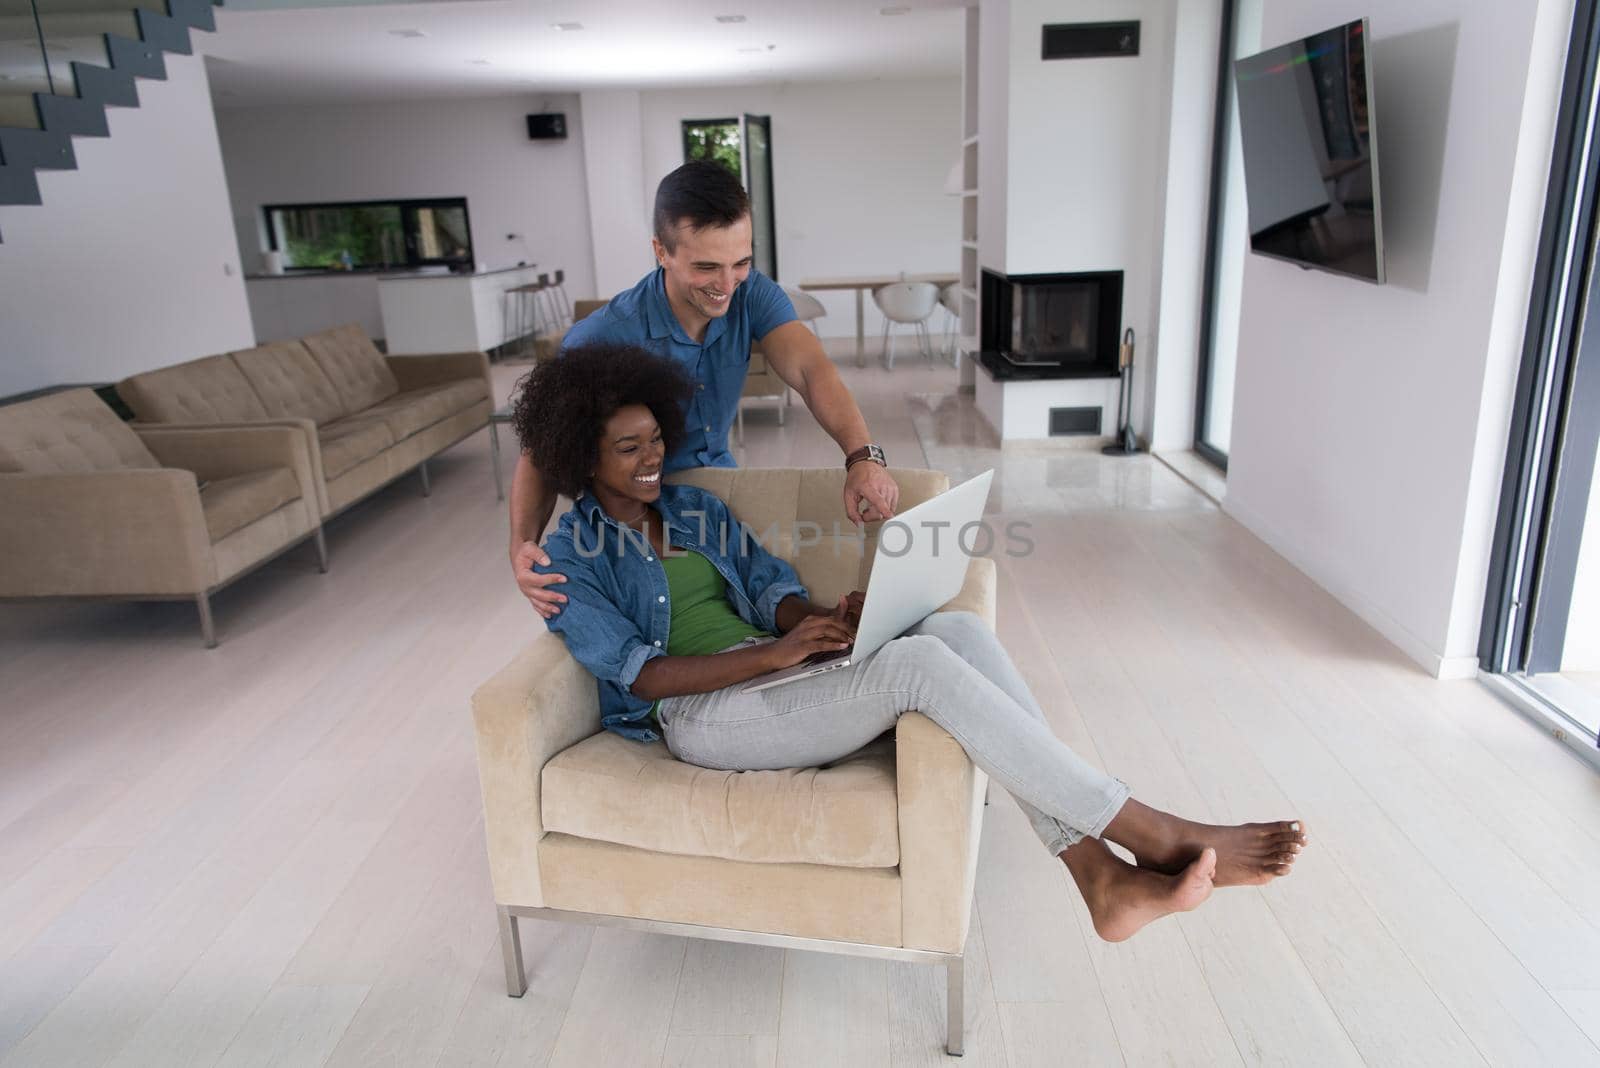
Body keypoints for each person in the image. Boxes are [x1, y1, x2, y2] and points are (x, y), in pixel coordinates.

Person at [510, 344, 1308, 943]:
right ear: (582, 455)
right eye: (628, 448)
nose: (652, 458)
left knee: (951, 625)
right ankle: (1146, 832)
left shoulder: (693, 509)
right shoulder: (570, 561)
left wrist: (828, 619)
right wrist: (777, 656)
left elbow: (767, 592)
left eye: (655, 438)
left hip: (772, 678)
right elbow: (643, 677)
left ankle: (1099, 875)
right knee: (920, 664)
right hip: (705, 719)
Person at [510, 160, 900, 619]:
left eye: (741, 262)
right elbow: (543, 450)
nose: (727, 283)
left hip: (718, 488)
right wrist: (522, 545)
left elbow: (812, 370)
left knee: (781, 593)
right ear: (661, 251)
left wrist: (862, 457)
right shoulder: (605, 336)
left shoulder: (752, 293)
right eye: (707, 266)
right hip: (642, 511)